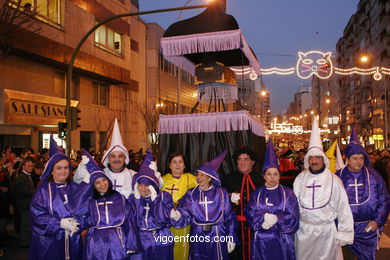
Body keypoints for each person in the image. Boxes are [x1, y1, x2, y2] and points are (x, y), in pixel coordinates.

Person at [293, 117, 354, 260]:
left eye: (318, 157)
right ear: (308, 160)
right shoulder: (300, 179)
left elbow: (343, 208)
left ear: (323, 160)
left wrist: (344, 232)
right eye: (311, 157)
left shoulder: (334, 180)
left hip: (327, 234)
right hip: (304, 233)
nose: (314, 161)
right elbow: (293, 207)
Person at [172, 151, 238, 259]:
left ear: (210, 177)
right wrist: (178, 216)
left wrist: (231, 237)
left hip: (217, 232)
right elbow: (186, 212)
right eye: (197, 174)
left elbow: (229, 216)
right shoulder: (191, 193)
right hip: (197, 233)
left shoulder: (221, 193)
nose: (198, 178)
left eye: (202, 175)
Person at [336, 128, 390, 260]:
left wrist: (377, 221)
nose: (358, 162)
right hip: (344, 228)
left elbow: (384, 200)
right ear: (347, 159)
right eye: (355, 158)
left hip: (368, 228)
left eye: (361, 158)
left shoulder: (374, 176)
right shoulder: (338, 177)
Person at [77, 150, 140, 260]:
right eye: (97, 182)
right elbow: (78, 210)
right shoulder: (91, 201)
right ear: (93, 185)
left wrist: (131, 244)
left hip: (117, 242)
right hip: (95, 244)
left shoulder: (120, 198)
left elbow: (129, 221)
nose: (102, 184)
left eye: (104, 180)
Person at [29, 137, 82, 260]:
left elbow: (84, 210)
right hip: (50, 243)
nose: (63, 171)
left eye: (66, 167)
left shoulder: (74, 188)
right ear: (51, 171)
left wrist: (78, 223)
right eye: (59, 168)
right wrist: (59, 223)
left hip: (73, 240)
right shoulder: (43, 191)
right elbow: (36, 217)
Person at [245, 139, 299, 260]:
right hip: (260, 243)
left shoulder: (288, 193)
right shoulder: (256, 193)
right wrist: (262, 219)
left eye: (275, 174)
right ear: (264, 176)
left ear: (280, 175)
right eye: (269, 174)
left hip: (282, 242)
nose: (272, 177)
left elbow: (294, 218)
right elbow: (249, 213)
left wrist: (277, 219)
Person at [129, 150, 174, 260]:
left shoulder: (164, 197)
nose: (143, 188)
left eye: (147, 185)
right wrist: (137, 200)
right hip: (140, 239)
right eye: (140, 185)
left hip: (161, 238)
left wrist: (155, 201)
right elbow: (133, 220)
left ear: (153, 186)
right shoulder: (133, 199)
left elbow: (164, 219)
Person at [222, 146, 263, 260]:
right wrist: (229, 197)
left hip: (255, 226)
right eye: (239, 159)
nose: (242, 162)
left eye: (246, 159)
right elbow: (220, 201)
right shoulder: (228, 178)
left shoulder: (260, 179)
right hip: (235, 227)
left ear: (253, 162)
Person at [162, 153, 197, 260]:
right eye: (174, 162)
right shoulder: (162, 180)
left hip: (184, 222)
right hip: (165, 222)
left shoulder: (192, 179)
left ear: (185, 165)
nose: (177, 165)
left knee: (183, 250)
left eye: (180, 162)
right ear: (170, 165)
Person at [14, 156, 35, 247]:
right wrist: (36, 191)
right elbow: (24, 191)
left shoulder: (27, 175)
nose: (30, 168)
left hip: (27, 203)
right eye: (28, 166)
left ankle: (26, 241)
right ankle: (24, 242)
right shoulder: (21, 177)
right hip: (24, 204)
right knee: (25, 224)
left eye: (31, 166)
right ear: (23, 167)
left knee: (27, 223)